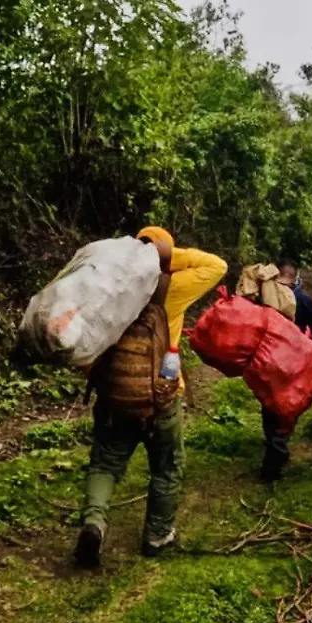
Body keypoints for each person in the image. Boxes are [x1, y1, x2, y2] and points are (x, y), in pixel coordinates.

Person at [75, 226, 226, 568]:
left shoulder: (108, 288)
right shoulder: (171, 287)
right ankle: (157, 535)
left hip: (115, 399)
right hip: (161, 400)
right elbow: (217, 266)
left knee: (105, 464)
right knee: (167, 466)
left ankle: (94, 524)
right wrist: (166, 256)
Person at [257, 261, 312, 482]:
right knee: (287, 406)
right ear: (295, 276)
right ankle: (274, 461)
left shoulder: (262, 297)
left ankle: (272, 441)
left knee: (268, 401)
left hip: (265, 359)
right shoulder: (303, 300)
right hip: (290, 362)